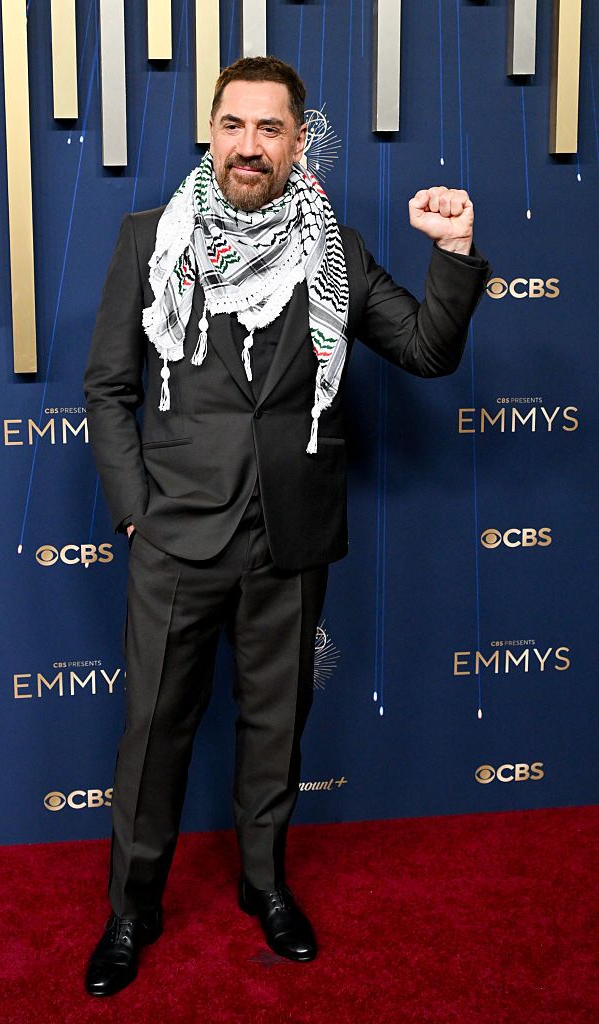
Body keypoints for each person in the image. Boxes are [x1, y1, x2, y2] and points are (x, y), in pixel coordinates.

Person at [82, 55, 491, 997]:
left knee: (276, 729)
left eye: (271, 129)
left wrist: (455, 252)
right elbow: (108, 389)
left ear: (298, 142)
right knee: (151, 732)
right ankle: (131, 909)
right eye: (234, 125)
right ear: (210, 133)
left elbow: (427, 350)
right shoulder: (151, 240)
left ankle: (265, 886)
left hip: (291, 534)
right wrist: (137, 513)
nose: (250, 146)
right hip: (176, 534)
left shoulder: (332, 249)